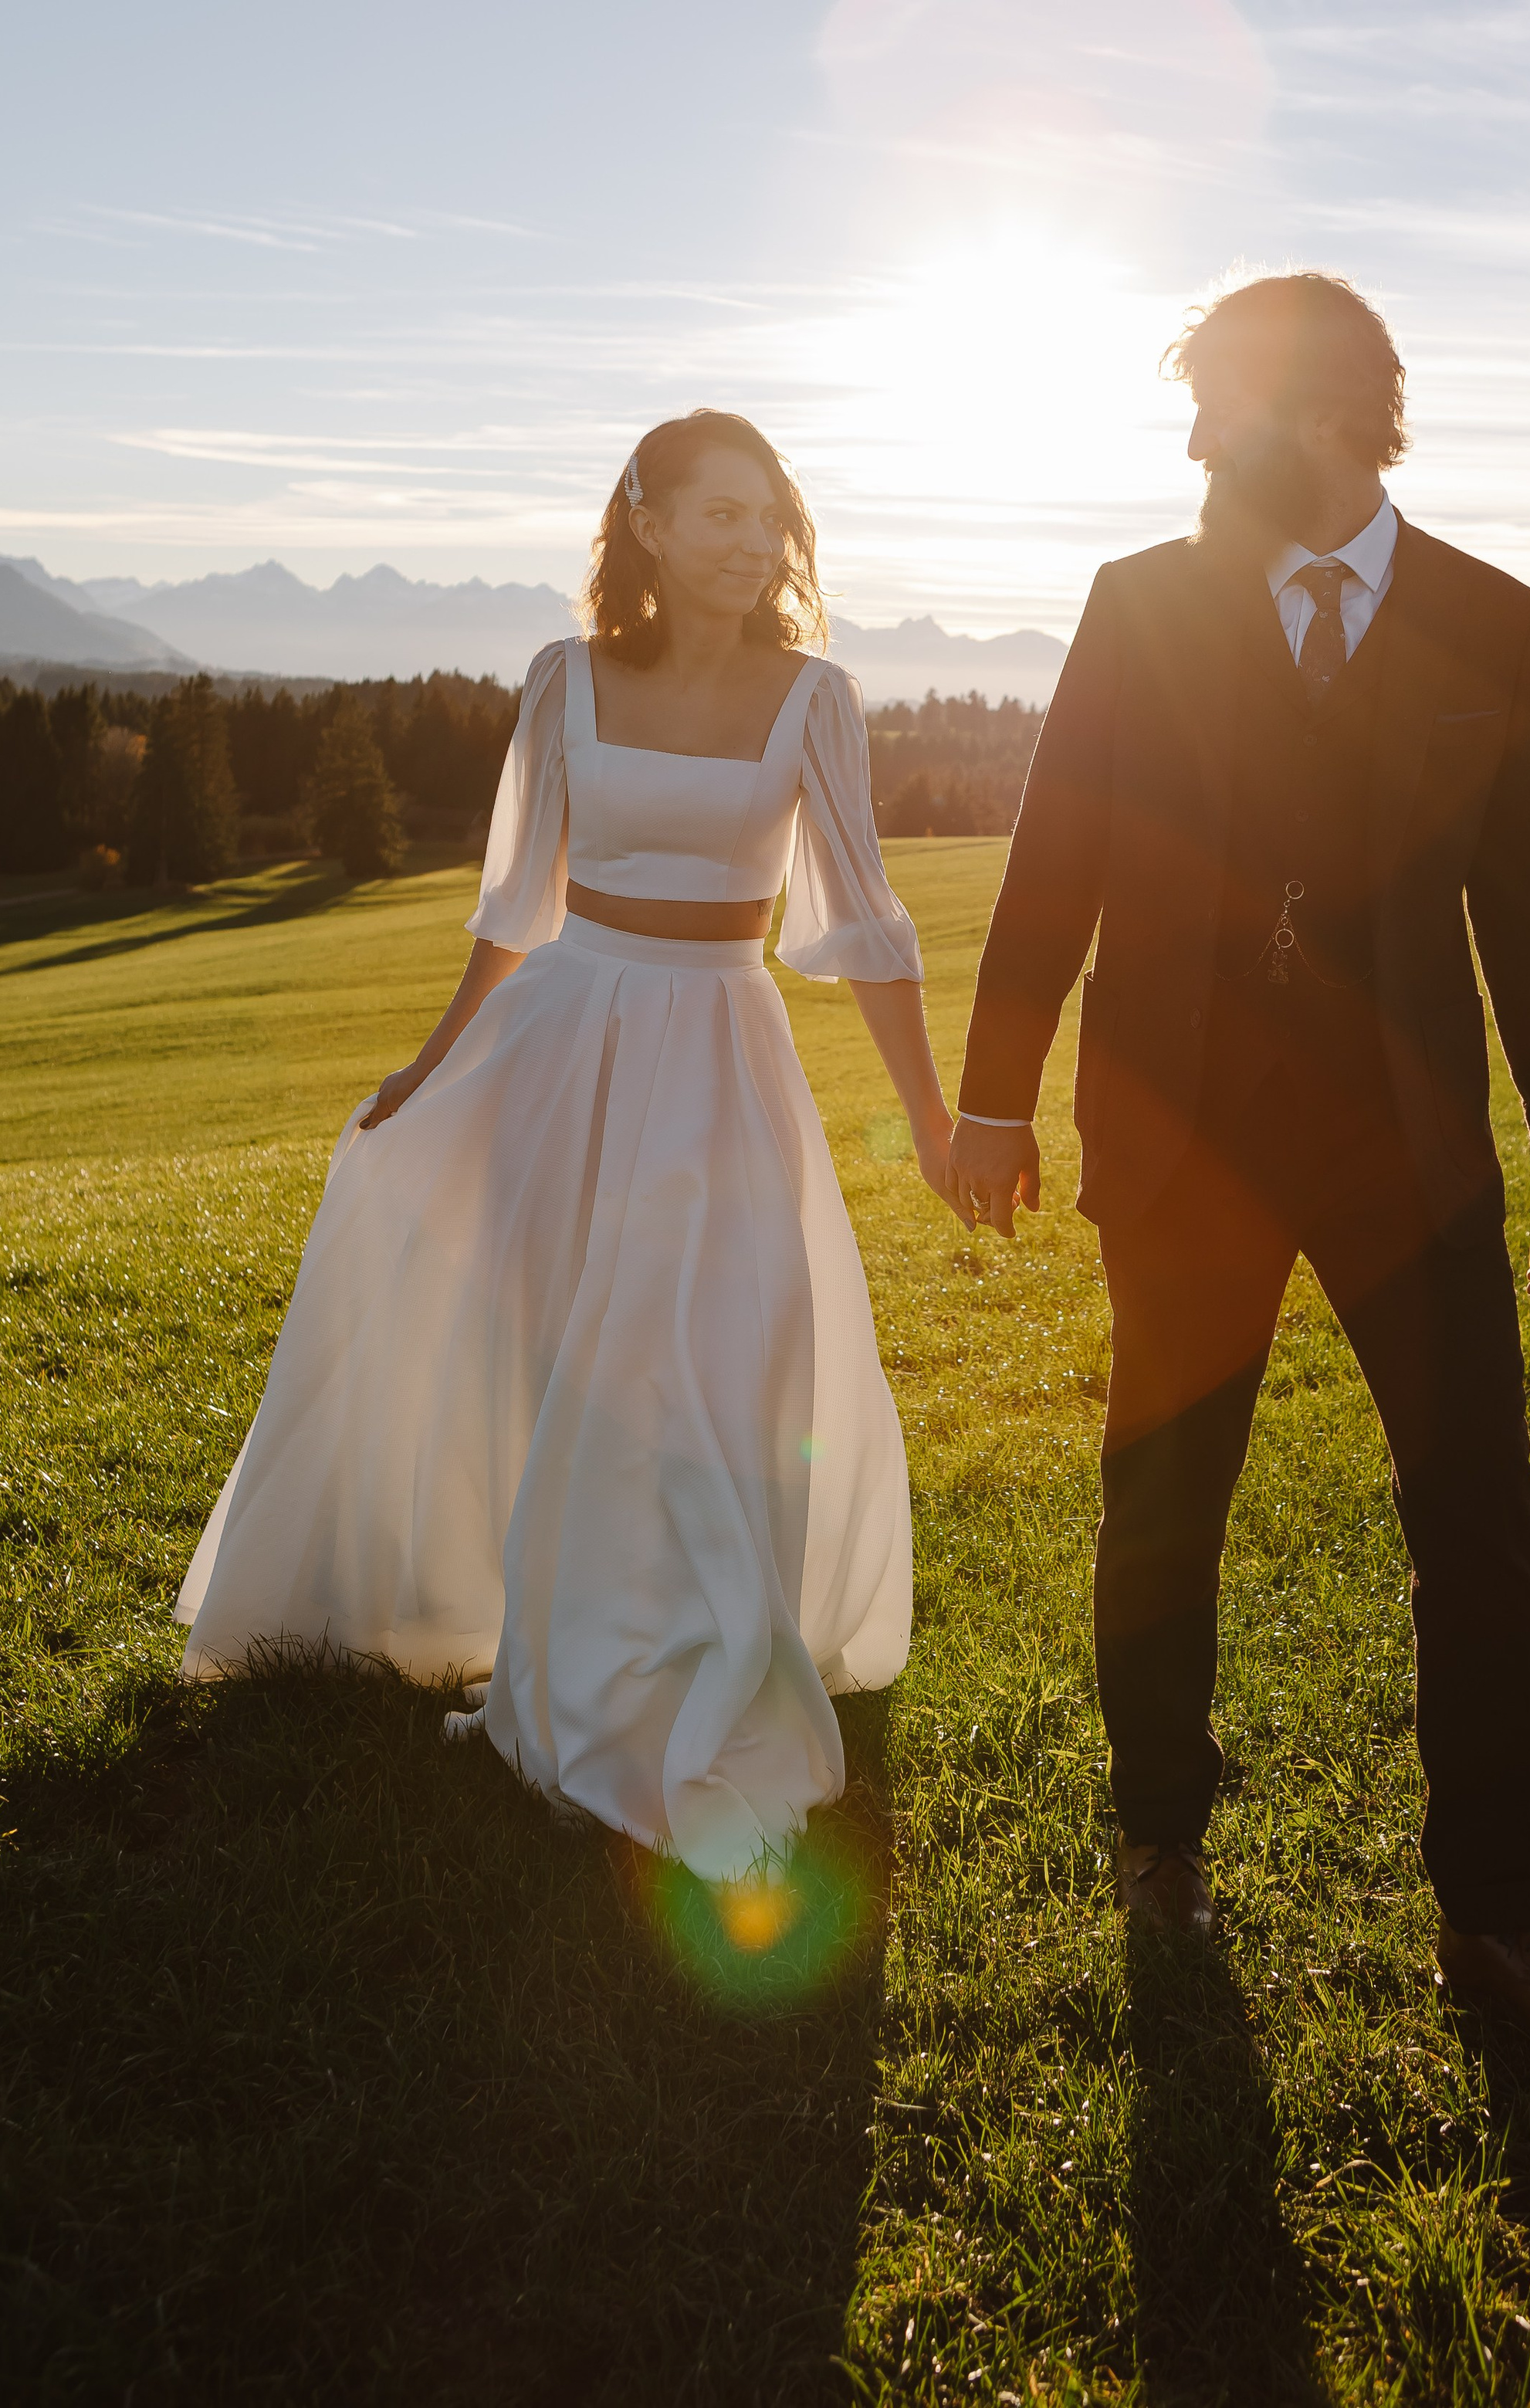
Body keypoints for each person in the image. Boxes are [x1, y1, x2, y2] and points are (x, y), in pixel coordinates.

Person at [946, 273, 1530, 2044]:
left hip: (1405, 1144)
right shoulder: (1137, 606)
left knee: (1477, 1520)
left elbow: (1527, 917)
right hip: (1182, 1134)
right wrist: (995, 1095)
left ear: (1339, 416)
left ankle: (1495, 1925)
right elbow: (1055, 863)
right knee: (1163, 1506)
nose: (1200, 450)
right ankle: (1158, 1851)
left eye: (1228, 417)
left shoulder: (1492, 622)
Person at [178, 411, 956, 1885]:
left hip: (723, 1057)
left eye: (762, 514)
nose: (743, 540)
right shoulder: (562, 680)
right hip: (564, 1045)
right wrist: (435, 1060)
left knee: (720, 1360)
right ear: (645, 523)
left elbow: (864, 925)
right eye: (710, 512)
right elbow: (515, 903)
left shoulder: (818, 697)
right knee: (573, 1366)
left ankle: (695, 1665)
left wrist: (926, 1117)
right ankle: (569, 1656)